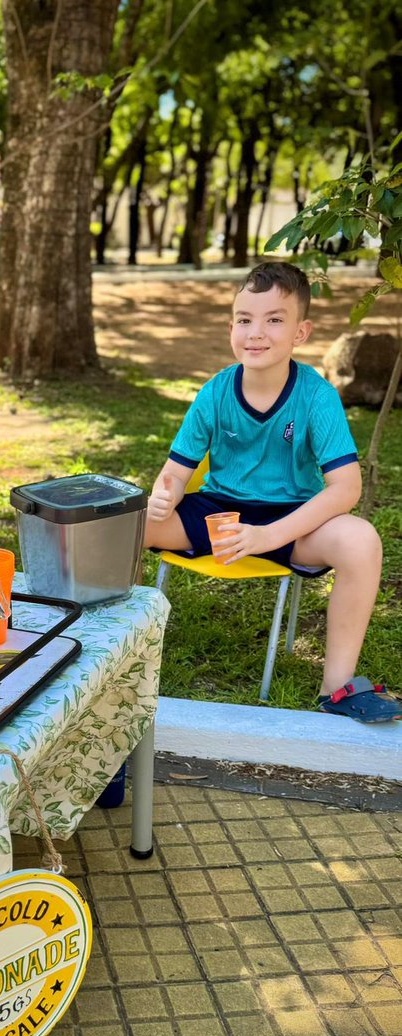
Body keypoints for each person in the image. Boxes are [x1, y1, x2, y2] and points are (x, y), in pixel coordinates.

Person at [144, 261, 400, 723]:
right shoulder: (215, 392)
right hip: (217, 515)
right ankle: (99, 650)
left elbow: (346, 489)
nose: (256, 333)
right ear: (231, 327)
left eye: (274, 319)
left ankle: (337, 687)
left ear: (301, 332)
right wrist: (163, 494)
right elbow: (175, 474)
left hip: (292, 521)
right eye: (245, 320)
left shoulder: (317, 397)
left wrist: (269, 536)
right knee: (119, 522)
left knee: (361, 539)